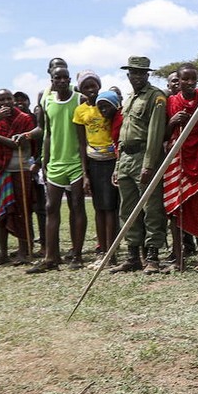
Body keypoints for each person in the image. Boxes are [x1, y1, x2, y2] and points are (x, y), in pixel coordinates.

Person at [111, 56, 169, 274]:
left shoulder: (156, 97)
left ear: (147, 74)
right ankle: (133, 255)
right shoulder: (128, 99)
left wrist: (148, 164)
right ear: (127, 75)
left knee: (151, 208)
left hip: (144, 157)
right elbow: (122, 135)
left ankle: (153, 256)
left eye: (140, 72)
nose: (136, 76)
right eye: (132, 72)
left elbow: (155, 133)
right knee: (127, 209)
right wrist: (117, 166)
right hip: (125, 158)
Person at [27, 65, 86, 272]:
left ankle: (77, 256)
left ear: (70, 80)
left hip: (76, 163)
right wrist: (44, 159)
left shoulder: (79, 100)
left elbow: (82, 139)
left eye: (65, 78)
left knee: (77, 206)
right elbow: (47, 133)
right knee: (51, 207)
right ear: (51, 80)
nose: (61, 81)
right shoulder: (46, 100)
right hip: (55, 164)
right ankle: (51, 258)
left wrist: (85, 170)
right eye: (57, 78)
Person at [162, 63, 198, 271]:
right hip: (177, 162)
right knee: (175, 209)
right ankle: (179, 260)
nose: (188, 82)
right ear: (177, 80)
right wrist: (172, 122)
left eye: (192, 79)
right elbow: (164, 136)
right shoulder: (171, 102)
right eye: (184, 79)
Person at [0, 89, 37, 265]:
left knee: (21, 211)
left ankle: (23, 252)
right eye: (1, 100)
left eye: (8, 99)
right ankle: (2, 254)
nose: (5, 102)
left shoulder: (24, 119)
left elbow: (18, 142)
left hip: (20, 169)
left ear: (13, 100)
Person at [73, 75, 119, 264]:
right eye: (86, 86)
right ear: (81, 89)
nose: (90, 89)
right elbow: (81, 143)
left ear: (99, 86)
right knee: (98, 208)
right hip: (93, 163)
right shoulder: (80, 111)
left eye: (93, 85)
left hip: (111, 161)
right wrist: (85, 174)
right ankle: (103, 250)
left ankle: (112, 252)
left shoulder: (108, 104)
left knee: (111, 208)